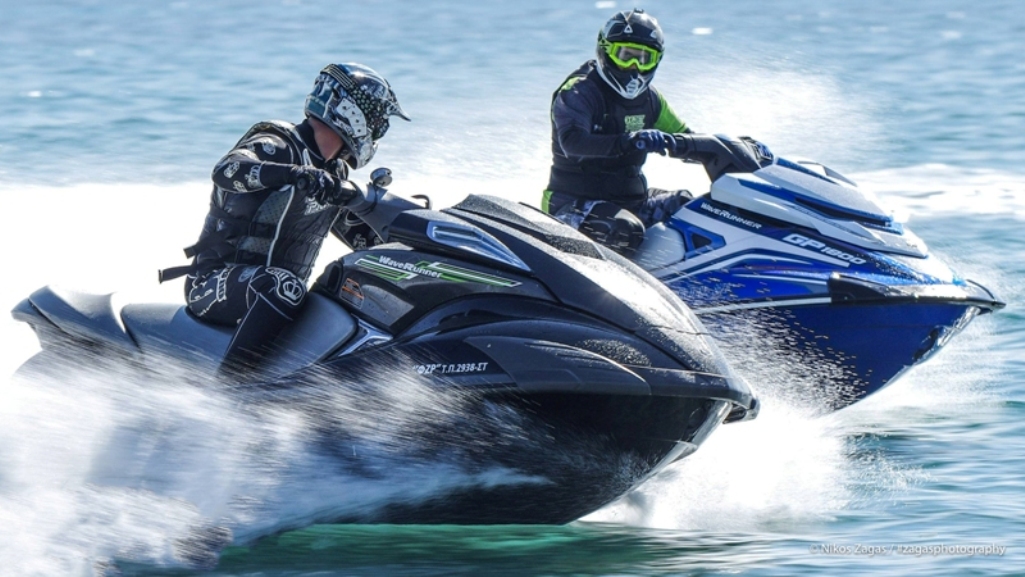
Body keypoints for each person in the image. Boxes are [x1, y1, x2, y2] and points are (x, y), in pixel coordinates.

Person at [160, 62, 409, 377]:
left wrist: (409, 235)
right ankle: (230, 390)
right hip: (213, 282)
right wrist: (292, 174)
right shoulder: (277, 145)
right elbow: (225, 171)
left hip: (274, 292)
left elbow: (361, 238)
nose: (378, 130)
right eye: (377, 121)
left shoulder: (333, 174)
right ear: (351, 112)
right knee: (284, 287)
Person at [542, 9, 742, 255]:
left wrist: (725, 149)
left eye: (644, 58)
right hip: (571, 204)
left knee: (696, 209)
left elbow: (686, 137)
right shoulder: (579, 91)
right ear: (605, 51)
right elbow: (573, 143)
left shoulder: (651, 100)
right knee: (624, 229)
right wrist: (630, 140)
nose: (634, 67)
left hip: (632, 201)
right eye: (626, 55)